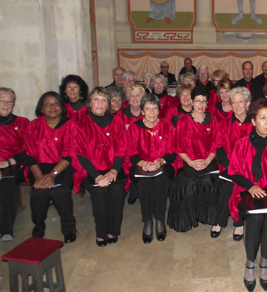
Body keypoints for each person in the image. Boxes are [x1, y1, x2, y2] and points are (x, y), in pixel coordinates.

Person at [228, 98, 267, 292]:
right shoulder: (243, 143)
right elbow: (234, 171)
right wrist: (251, 186)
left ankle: (264, 261)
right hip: (248, 191)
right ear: (253, 121)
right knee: (255, 218)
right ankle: (250, 262)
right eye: (263, 118)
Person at [75, 87, 128, 247]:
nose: (100, 103)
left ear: (108, 104)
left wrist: (114, 170)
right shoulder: (81, 124)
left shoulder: (117, 121)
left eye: (104, 100)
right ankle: (101, 232)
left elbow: (122, 147)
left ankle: (113, 230)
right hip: (90, 170)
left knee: (117, 191)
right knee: (99, 192)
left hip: (114, 167)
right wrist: (97, 176)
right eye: (96, 99)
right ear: (89, 103)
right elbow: (80, 154)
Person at [25, 91, 77, 243]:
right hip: (39, 167)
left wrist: (53, 174)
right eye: (47, 104)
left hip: (64, 166)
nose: (52, 107)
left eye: (56, 103)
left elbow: (70, 153)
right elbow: (29, 154)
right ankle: (38, 227)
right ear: (41, 108)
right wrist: (40, 177)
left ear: (62, 107)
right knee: (38, 193)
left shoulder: (70, 125)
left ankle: (69, 227)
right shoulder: (33, 126)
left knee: (60, 191)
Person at [167, 86, 219, 232]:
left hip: (208, 161)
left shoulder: (212, 120)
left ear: (207, 103)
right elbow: (178, 146)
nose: (201, 105)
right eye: (198, 101)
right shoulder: (183, 121)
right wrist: (190, 162)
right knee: (186, 182)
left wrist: (207, 160)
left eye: (204, 101)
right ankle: (189, 217)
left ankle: (206, 216)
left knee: (212, 180)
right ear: (192, 102)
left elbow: (217, 143)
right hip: (188, 162)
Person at [127, 94, 177, 244]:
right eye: (147, 108)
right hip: (141, 166)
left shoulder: (167, 126)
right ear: (142, 111)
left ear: (159, 110)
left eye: (155, 108)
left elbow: (173, 152)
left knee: (160, 181)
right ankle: (148, 220)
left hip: (164, 166)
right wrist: (143, 163)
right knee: (145, 183)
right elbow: (130, 153)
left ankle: (160, 219)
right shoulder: (135, 128)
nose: (151, 112)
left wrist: (161, 161)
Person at [211, 87, 252, 240]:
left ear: (247, 103)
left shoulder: (255, 123)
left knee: (241, 184)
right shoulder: (224, 124)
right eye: (234, 102)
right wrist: (231, 166)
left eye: (240, 101)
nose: (237, 105)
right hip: (229, 166)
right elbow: (219, 149)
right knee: (227, 184)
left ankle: (239, 223)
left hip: (250, 169)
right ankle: (219, 221)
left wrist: (246, 167)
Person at [0, 88, 30, 242]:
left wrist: (8, 162)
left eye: (9, 101)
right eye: (1, 101)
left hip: (15, 164)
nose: (5, 105)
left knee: (7, 183)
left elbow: (29, 149)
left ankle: (5, 229)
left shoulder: (22, 123)